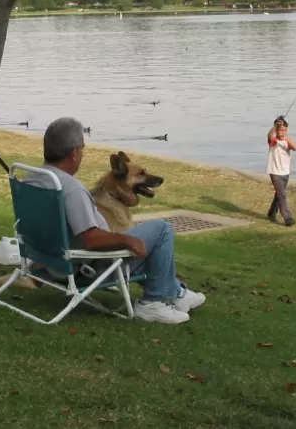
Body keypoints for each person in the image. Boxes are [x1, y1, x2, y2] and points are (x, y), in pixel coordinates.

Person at [25, 117, 206, 325]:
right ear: (74, 153)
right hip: (88, 270)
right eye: (82, 148)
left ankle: (178, 293)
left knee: (150, 239)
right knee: (161, 230)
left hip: (52, 264)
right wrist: (126, 240)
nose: (82, 154)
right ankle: (152, 303)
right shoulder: (71, 189)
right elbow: (90, 239)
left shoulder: (33, 178)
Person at [266, 116, 296, 226]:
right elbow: (270, 136)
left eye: (285, 130)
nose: (283, 132)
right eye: (281, 130)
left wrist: (287, 139)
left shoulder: (287, 141)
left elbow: (295, 148)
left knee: (279, 194)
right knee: (282, 195)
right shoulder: (273, 141)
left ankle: (271, 212)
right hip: (275, 172)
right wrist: (275, 126)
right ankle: (288, 218)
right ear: (276, 130)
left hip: (285, 172)